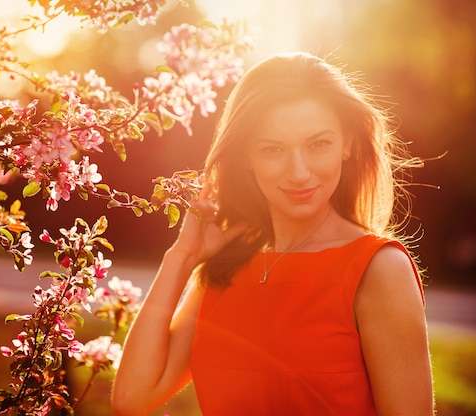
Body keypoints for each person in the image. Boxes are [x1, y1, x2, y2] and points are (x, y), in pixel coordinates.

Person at [111, 51, 435, 415]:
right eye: (273, 149)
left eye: (318, 144)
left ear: (348, 143)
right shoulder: (224, 269)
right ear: (246, 156)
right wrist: (182, 257)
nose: (299, 172)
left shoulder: (379, 269)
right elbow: (132, 398)